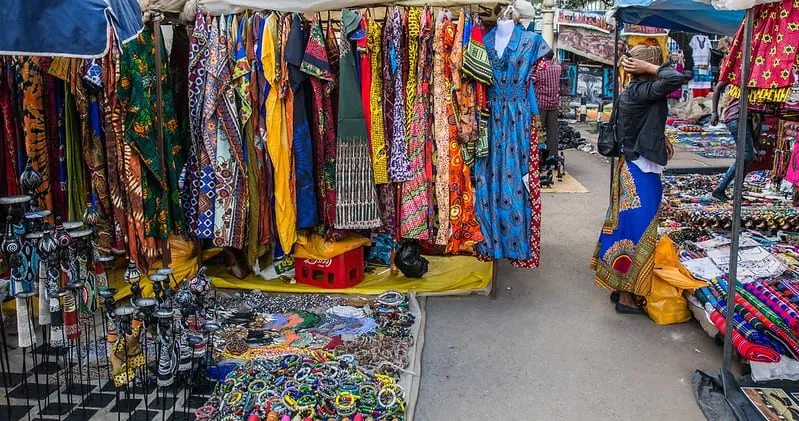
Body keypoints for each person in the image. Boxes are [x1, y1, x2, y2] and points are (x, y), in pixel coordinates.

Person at [591, 45, 685, 315]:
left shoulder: (631, 92)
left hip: (631, 165)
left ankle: (618, 287)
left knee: (625, 227)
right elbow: (676, 78)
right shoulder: (646, 90)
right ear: (647, 68)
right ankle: (626, 298)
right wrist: (653, 69)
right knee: (637, 233)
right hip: (641, 170)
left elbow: (641, 123)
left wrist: (659, 136)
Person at [710, 81, 755, 202]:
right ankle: (720, 189)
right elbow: (718, 88)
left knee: (747, 156)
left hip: (742, 118)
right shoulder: (739, 73)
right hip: (736, 117)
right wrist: (714, 113)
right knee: (746, 155)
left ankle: (736, 192)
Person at [533, 51, 562, 159]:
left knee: (538, 132)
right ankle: (552, 157)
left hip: (540, 105)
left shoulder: (539, 70)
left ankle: (539, 156)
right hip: (553, 105)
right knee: (552, 133)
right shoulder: (558, 68)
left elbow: (532, 82)